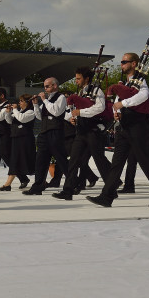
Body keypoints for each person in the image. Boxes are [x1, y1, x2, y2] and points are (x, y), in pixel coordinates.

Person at [86, 53, 149, 207]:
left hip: (139, 126)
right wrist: (115, 112)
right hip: (125, 126)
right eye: (121, 62)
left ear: (134, 64)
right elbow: (117, 102)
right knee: (117, 162)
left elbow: (144, 96)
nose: (122, 64)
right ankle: (107, 196)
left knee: (145, 161)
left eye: (125, 62)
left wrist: (123, 103)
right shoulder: (126, 83)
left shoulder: (141, 81)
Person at [53, 66, 113, 201]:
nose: (76, 81)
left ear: (86, 78)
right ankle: (68, 190)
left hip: (93, 130)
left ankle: (111, 189)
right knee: (73, 160)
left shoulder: (97, 90)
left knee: (100, 161)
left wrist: (81, 113)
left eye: (78, 78)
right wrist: (75, 118)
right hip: (81, 131)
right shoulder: (81, 93)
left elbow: (100, 108)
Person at [23, 77, 67, 196]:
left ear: (55, 86)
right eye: (45, 86)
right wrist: (36, 105)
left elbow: (56, 111)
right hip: (44, 133)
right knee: (41, 161)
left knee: (61, 160)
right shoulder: (47, 100)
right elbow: (39, 116)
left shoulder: (61, 97)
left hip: (55, 132)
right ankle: (38, 186)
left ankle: (73, 183)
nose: (45, 89)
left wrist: (44, 100)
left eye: (47, 86)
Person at [0, 93, 35, 190]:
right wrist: (7, 112)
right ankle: (7, 184)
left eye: (21, 101)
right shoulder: (18, 111)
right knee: (14, 161)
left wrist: (14, 110)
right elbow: (10, 121)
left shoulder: (31, 112)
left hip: (25, 140)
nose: (19, 103)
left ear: (27, 102)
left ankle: (42, 181)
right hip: (16, 138)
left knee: (29, 160)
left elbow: (21, 119)